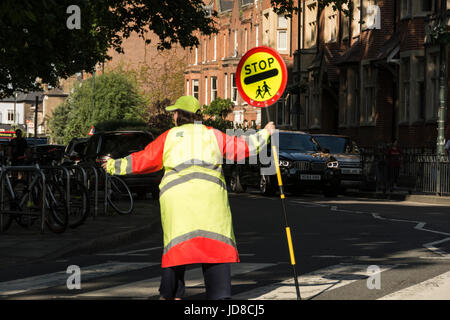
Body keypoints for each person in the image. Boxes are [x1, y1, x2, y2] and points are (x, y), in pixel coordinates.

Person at [102, 96, 275, 300]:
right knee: (215, 246)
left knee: (177, 246)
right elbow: (242, 147)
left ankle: (171, 293)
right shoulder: (212, 135)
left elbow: (144, 159)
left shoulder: (169, 137)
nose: (173, 116)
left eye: (174, 113)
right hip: (210, 201)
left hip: (177, 201)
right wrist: (266, 133)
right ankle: (219, 293)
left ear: (178, 116)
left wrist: (113, 165)